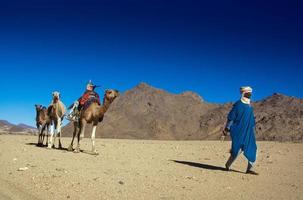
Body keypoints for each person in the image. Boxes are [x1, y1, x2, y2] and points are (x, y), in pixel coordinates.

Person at [222, 86, 258, 175]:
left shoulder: (250, 106)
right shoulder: (238, 105)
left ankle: (249, 169)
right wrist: (227, 128)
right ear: (243, 93)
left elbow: (251, 119)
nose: (250, 95)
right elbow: (231, 118)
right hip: (239, 131)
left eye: (250, 93)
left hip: (248, 132)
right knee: (236, 150)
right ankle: (228, 165)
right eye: (248, 93)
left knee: (253, 148)